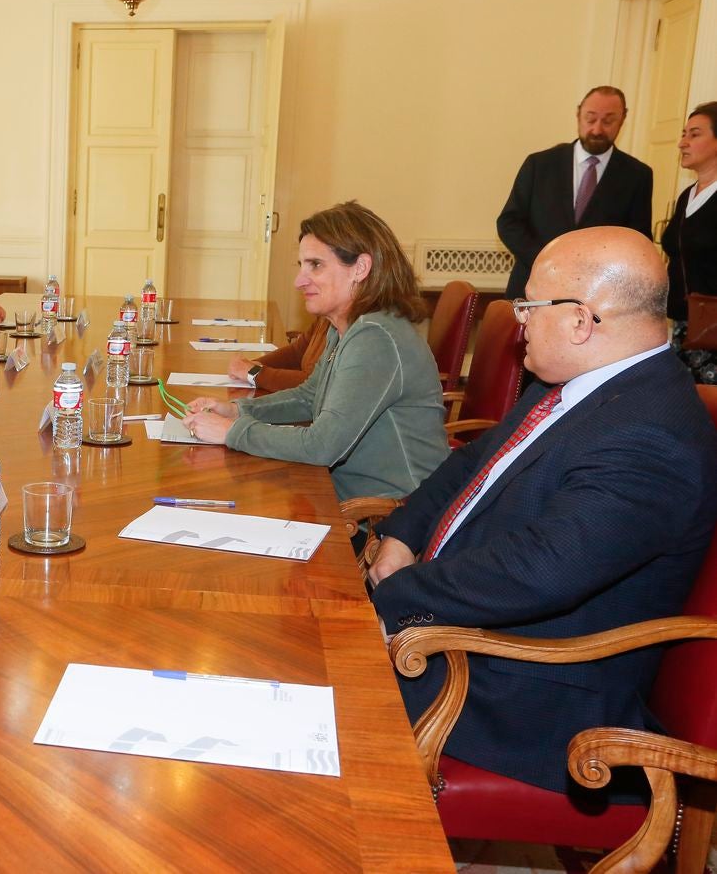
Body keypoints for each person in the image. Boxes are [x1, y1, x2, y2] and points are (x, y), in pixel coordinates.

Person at [368, 226, 717, 800]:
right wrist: (402, 535)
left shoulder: (654, 433)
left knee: (298, 697)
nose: (520, 321)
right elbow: (468, 467)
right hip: (464, 629)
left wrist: (401, 595)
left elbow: (538, 570)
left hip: (525, 693)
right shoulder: (572, 384)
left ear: (582, 320)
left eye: (528, 305)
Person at [183, 201, 448, 503]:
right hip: (347, 497)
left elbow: (321, 446)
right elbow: (309, 397)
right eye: (301, 266)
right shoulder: (345, 327)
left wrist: (233, 432)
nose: (299, 281)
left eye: (316, 265)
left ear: (360, 268)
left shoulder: (376, 338)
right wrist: (239, 410)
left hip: (388, 517)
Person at [497, 86, 652, 299]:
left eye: (608, 121)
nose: (597, 129)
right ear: (578, 114)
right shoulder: (540, 164)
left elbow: (637, 242)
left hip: (596, 296)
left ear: (623, 119)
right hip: (532, 287)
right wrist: (547, 262)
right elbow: (509, 223)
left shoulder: (637, 175)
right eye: (590, 118)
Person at [662, 102, 717, 384]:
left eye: (694, 134)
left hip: (713, 332)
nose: (682, 142)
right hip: (684, 326)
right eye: (684, 134)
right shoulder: (687, 195)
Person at [226, 318, 330, 393]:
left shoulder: (343, 330)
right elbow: (296, 352)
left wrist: (255, 373)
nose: (299, 286)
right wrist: (250, 366)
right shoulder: (324, 318)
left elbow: (315, 385)